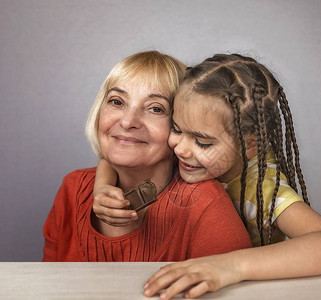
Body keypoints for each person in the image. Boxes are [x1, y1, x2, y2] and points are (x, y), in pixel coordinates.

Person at [93, 53, 321, 298]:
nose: (180, 149)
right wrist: (102, 188)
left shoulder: (260, 187)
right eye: (176, 129)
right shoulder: (191, 157)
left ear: (251, 145)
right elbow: (112, 158)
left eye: (203, 143)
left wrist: (230, 266)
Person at [42, 51, 252, 262]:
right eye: (117, 102)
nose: (128, 121)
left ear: (182, 125)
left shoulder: (205, 205)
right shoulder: (73, 189)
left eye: (155, 108)